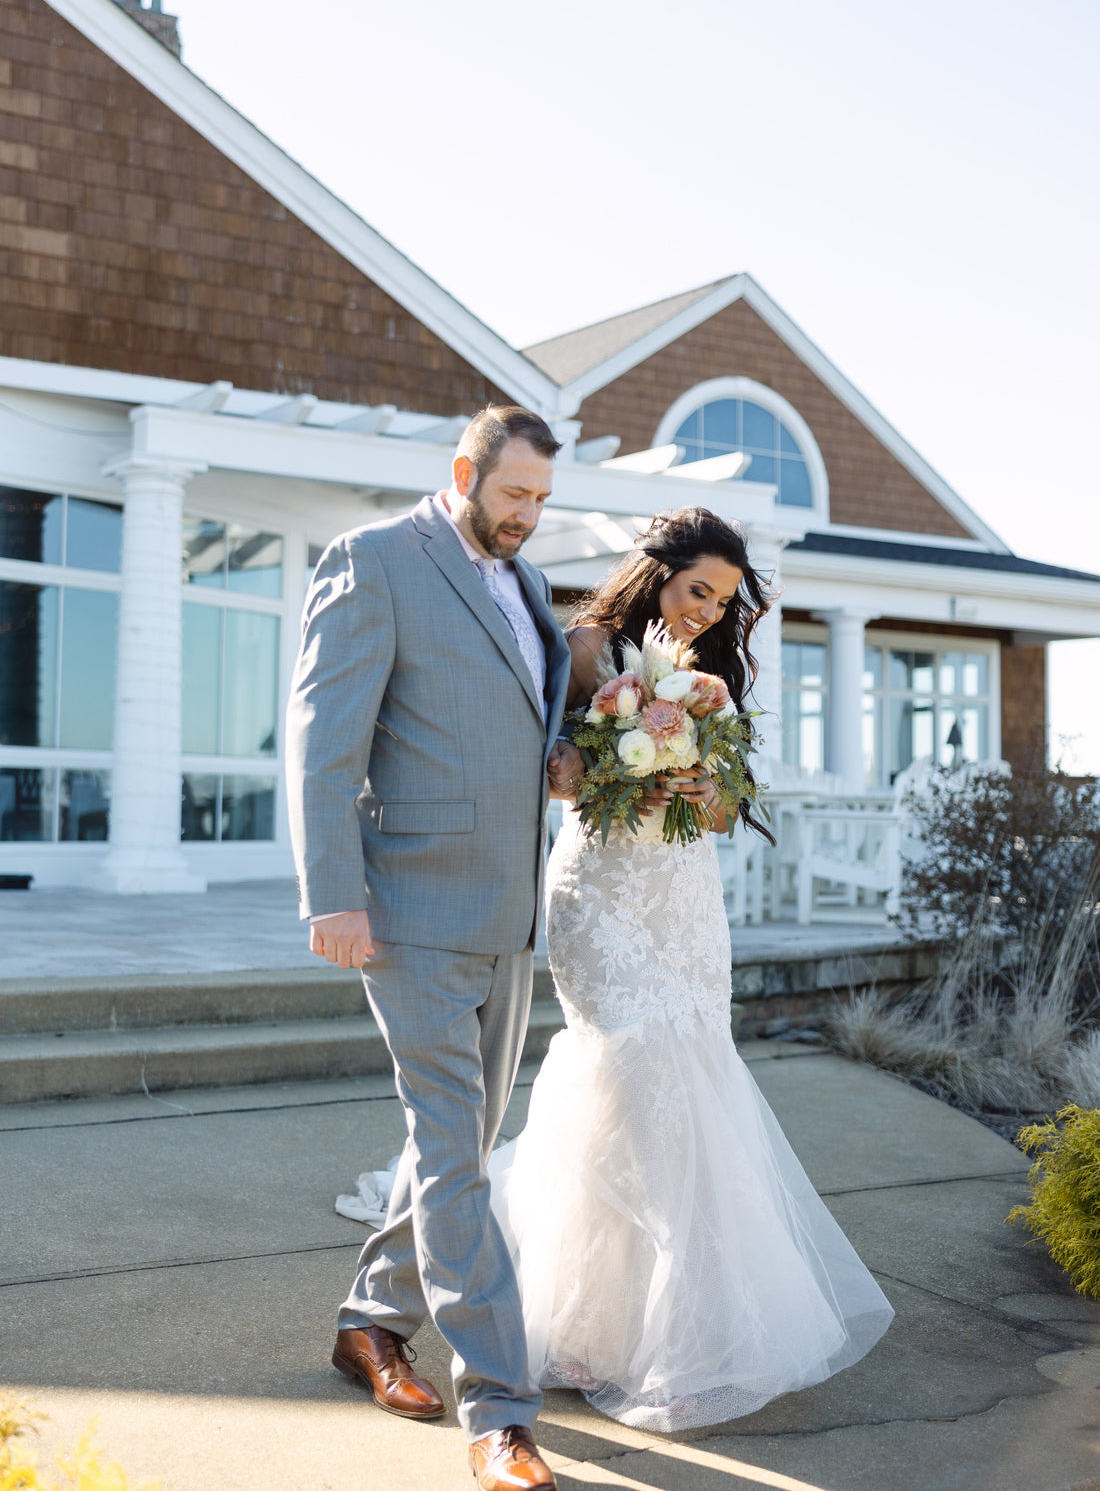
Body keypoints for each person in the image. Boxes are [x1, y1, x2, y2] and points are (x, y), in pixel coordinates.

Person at [490, 506, 894, 1432]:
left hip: (682, 895)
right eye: (697, 590)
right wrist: (609, 766)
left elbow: (720, 814)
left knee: (689, 1078)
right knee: (626, 1074)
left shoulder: (710, 684)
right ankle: (595, 1322)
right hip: (601, 892)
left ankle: (666, 1330)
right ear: (656, 573)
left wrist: (699, 783)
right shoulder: (584, 646)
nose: (709, 610)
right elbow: (546, 768)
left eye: (722, 599)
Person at [286, 404, 584, 1491]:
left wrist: (559, 760)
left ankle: (367, 1321)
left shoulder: (528, 586)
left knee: (448, 1146)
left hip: (509, 914)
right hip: (406, 914)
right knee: (459, 1161)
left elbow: (507, 719)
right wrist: (334, 895)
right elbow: (324, 744)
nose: (528, 516)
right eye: (514, 494)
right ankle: (500, 1413)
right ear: (463, 470)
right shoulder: (374, 562)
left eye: (542, 500)